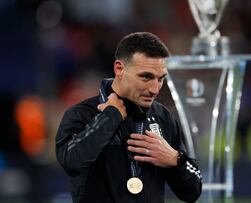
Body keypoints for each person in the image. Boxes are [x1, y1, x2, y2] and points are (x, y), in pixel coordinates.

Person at [56, 32, 202, 203]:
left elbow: (193, 191)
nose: (155, 89)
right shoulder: (83, 113)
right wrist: (110, 117)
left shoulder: (162, 117)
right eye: (146, 77)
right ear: (119, 68)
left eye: (161, 79)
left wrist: (175, 160)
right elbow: (70, 161)